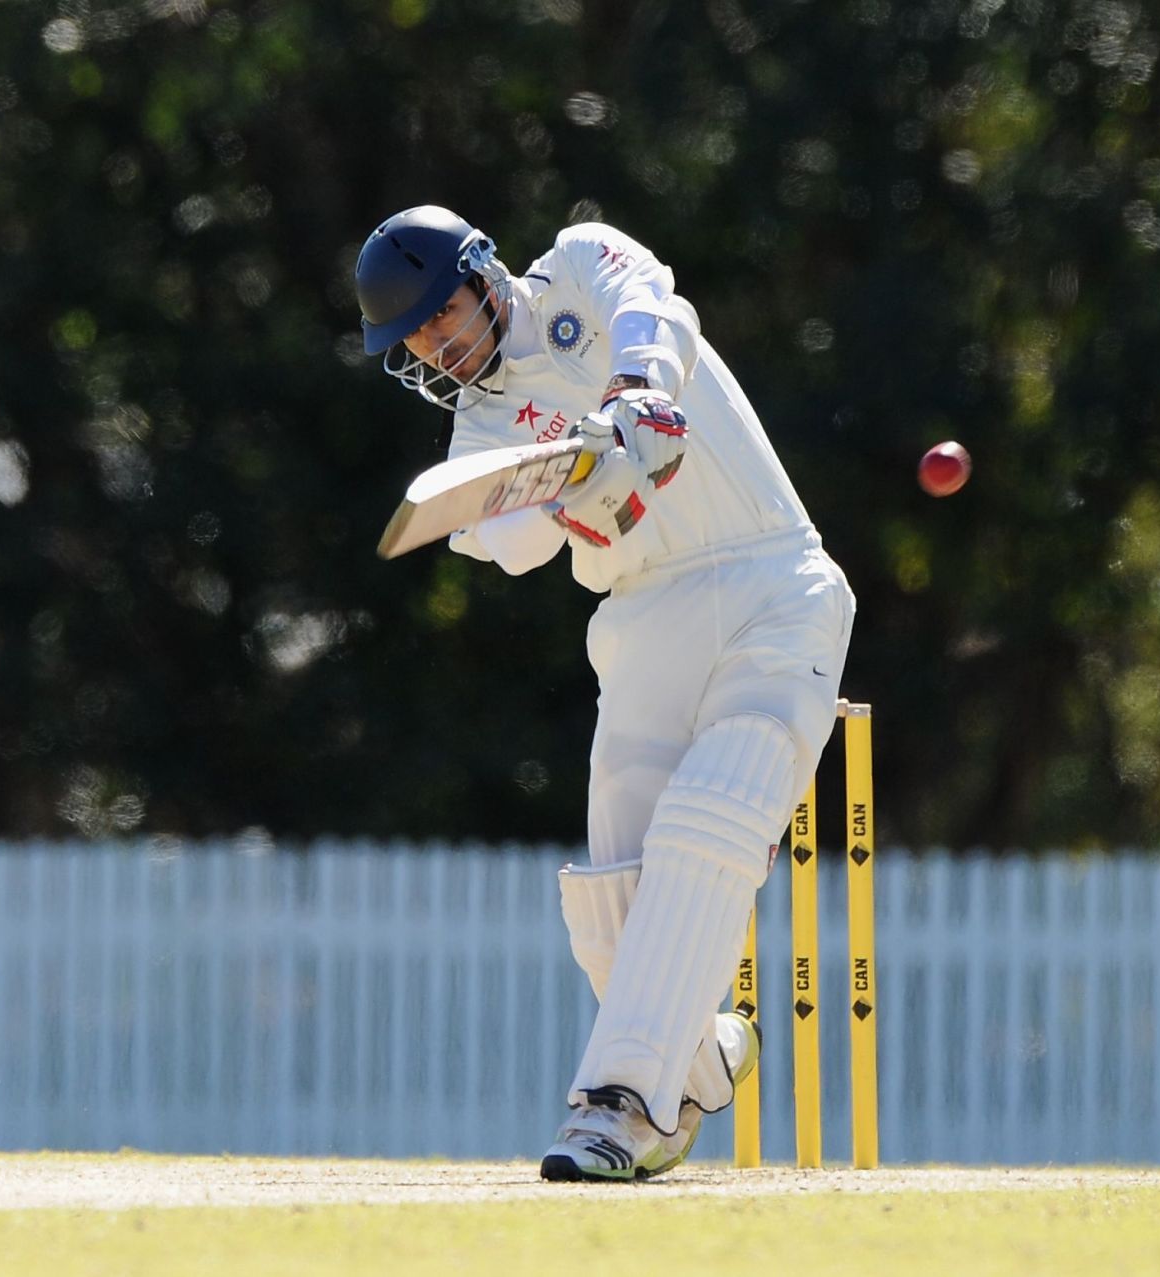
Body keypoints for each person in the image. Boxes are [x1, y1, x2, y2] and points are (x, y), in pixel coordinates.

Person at [352, 206, 855, 1181]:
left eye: (440, 315)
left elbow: (654, 303)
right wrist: (559, 479)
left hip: (773, 581)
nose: (437, 345)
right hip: (641, 619)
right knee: (614, 896)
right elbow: (513, 543)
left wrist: (639, 393)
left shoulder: (579, 267)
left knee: (710, 821)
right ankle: (698, 1060)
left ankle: (616, 1107)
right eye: (414, 339)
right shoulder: (480, 432)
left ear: (484, 272)